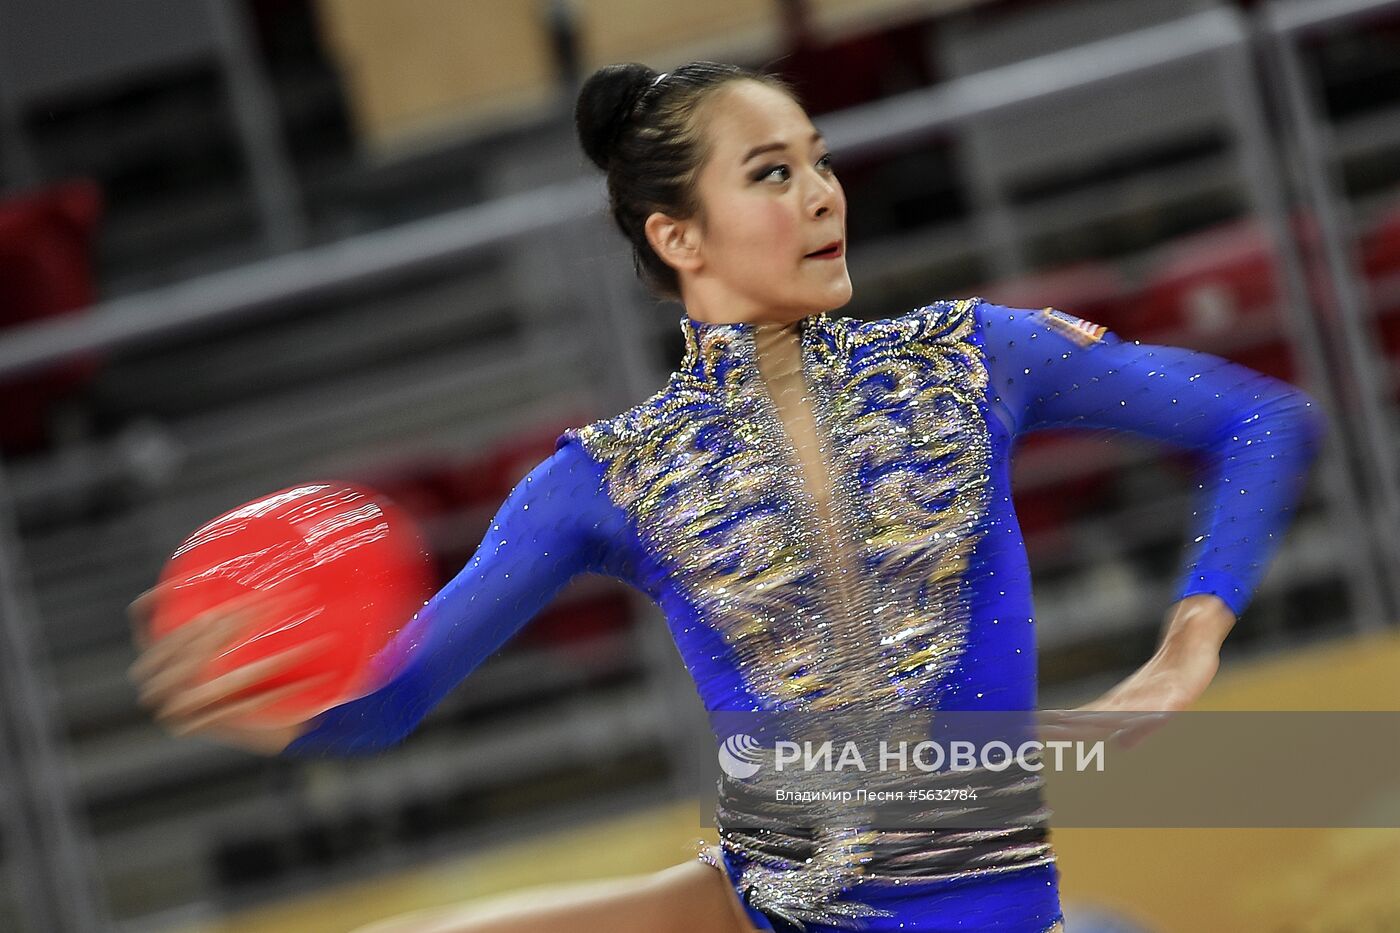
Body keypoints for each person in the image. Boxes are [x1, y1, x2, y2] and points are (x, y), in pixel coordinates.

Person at [127, 59, 1327, 932]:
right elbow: (388, 708)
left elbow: (1258, 418)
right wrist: (266, 711)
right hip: (769, 904)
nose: (820, 194)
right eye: (770, 173)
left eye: (818, 160)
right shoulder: (602, 478)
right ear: (678, 236)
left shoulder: (972, 358)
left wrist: (1186, 647)